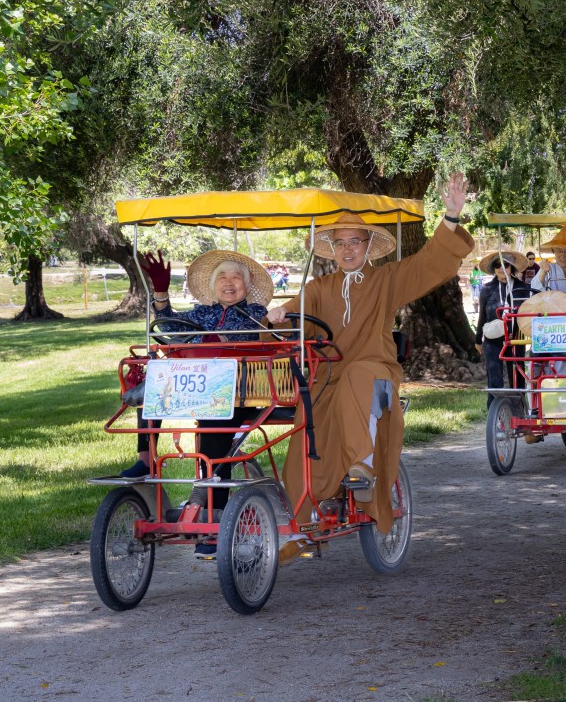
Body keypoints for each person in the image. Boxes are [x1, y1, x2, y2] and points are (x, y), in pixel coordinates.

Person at [269, 173, 474, 532]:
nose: (347, 249)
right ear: (332, 249)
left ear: (367, 246)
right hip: (328, 380)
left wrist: (452, 217)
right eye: (340, 243)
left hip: (376, 375)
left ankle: (361, 464)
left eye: (355, 242)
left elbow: (427, 264)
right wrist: (278, 317)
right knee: (305, 434)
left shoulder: (385, 279)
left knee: (358, 374)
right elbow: (293, 317)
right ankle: (303, 524)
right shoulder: (318, 288)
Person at [111, 249, 273, 553]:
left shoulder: (254, 313)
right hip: (194, 382)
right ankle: (146, 460)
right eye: (222, 277)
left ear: (247, 284)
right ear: (212, 286)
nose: (229, 283)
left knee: (213, 436)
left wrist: (209, 342)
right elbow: (169, 326)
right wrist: (161, 292)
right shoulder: (202, 313)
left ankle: (214, 519)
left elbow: (251, 339)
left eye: (236, 277)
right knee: (157, 386)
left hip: (234, 389)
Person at [475, 248, 535, 401]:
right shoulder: (487, 289)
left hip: (516, 339)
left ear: (511, 267)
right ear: (494, 269)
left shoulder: (523, 288)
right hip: (492, 339)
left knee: (517, 378)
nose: (502, 268)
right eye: (497, 265)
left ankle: (519, 409)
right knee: (495, 379)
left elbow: (529, 314)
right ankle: (495, 414)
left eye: (506, 265)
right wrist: (477, 340)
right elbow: (482, 315)